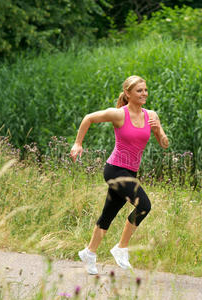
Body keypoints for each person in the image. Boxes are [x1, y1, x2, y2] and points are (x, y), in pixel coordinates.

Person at [70, 75, 169, 274]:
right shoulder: (118, 115)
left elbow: (164, 144)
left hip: (130, 171)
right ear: (128, 94)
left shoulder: (151, 115)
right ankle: (121, 248)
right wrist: (78, 143)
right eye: (139, 91)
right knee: (144, 205)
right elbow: (89, 118)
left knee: (108, 214)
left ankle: (89, 252)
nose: (144, 94)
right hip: (115, 169)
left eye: (146, 90)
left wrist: (159, 131)